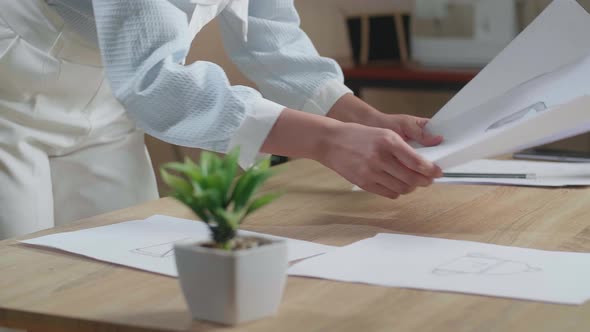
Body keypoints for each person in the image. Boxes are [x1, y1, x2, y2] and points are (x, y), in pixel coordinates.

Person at [0, 0, 443, 240]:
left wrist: (365, 118)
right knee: (19, 280)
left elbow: (272, 36)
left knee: (117, 264)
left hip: (110, 106)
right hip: (11, 98)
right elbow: (155, 81)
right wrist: (325, 141)